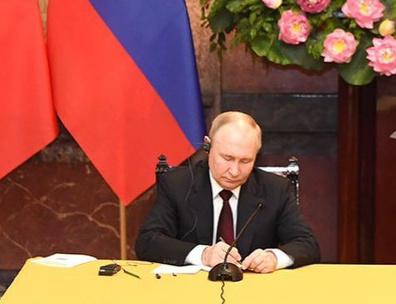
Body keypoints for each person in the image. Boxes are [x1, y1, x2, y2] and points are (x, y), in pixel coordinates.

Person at [135, 111, 320, 272]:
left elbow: (307, 244)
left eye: (245, 161)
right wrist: (203, 254)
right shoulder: (177, 184)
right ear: (207, 147)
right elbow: (147, 241)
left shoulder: (275, 189)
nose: (235, 171)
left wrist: (274, 257)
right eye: (227, 158)